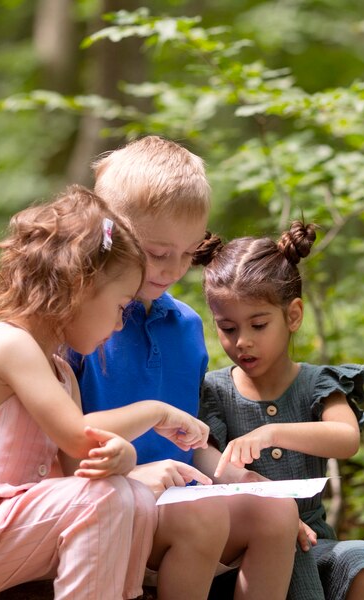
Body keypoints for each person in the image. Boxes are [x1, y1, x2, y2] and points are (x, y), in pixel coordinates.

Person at [0, 185, 217, 600]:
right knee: (104, 500)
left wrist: (123, 457)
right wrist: (156, 412)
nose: (120, 324)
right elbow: (78, 434)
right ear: (78, 289)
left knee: (134, 497)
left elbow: (78, 462)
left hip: (4, 526)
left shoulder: (59, 373)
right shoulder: (8, 344)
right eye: (119, 306)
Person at [70, 136, 299, 599]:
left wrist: (233, 475)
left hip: (181, 497)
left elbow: (185, 443)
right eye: (157, 253)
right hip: (106, 499)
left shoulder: (187, 327)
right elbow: (54, 449)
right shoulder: (79, 322)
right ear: (108, 231)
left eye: (189, 253)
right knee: (203, 516)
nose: (173, 269)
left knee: (278, 511)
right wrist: (129, 478)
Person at [194, 220, 364, 600]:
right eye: (228, 328)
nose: (243, 342)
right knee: (283, 530)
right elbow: (206, 459)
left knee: (363, 560)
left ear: (293, 316)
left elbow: (346, 438)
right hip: (244, 553)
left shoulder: (318, 384)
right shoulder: (214, 392)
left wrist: (272, 433)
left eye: (258, 324)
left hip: (317, 542)